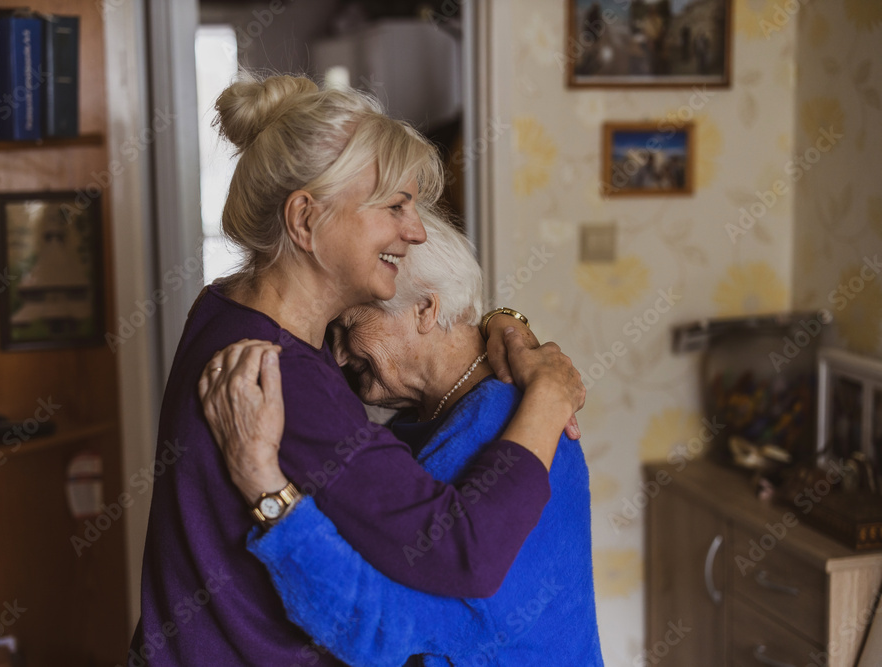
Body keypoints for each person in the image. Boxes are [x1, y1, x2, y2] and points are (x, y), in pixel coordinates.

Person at [129, 73, 585, 666]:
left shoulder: (225, 305)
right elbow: (460, 552)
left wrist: (498, 319)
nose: (415, 230)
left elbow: (423, 348)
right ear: (305, 220)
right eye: (395, 206)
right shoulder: (285, 378)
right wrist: (548, 398)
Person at [199, 212, 604, 666]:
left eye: (350, 326)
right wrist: (501, 320)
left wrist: (263, 485)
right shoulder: (431, 419)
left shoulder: (505, 426)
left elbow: (377, 630)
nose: (336, 354)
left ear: (426, 310)